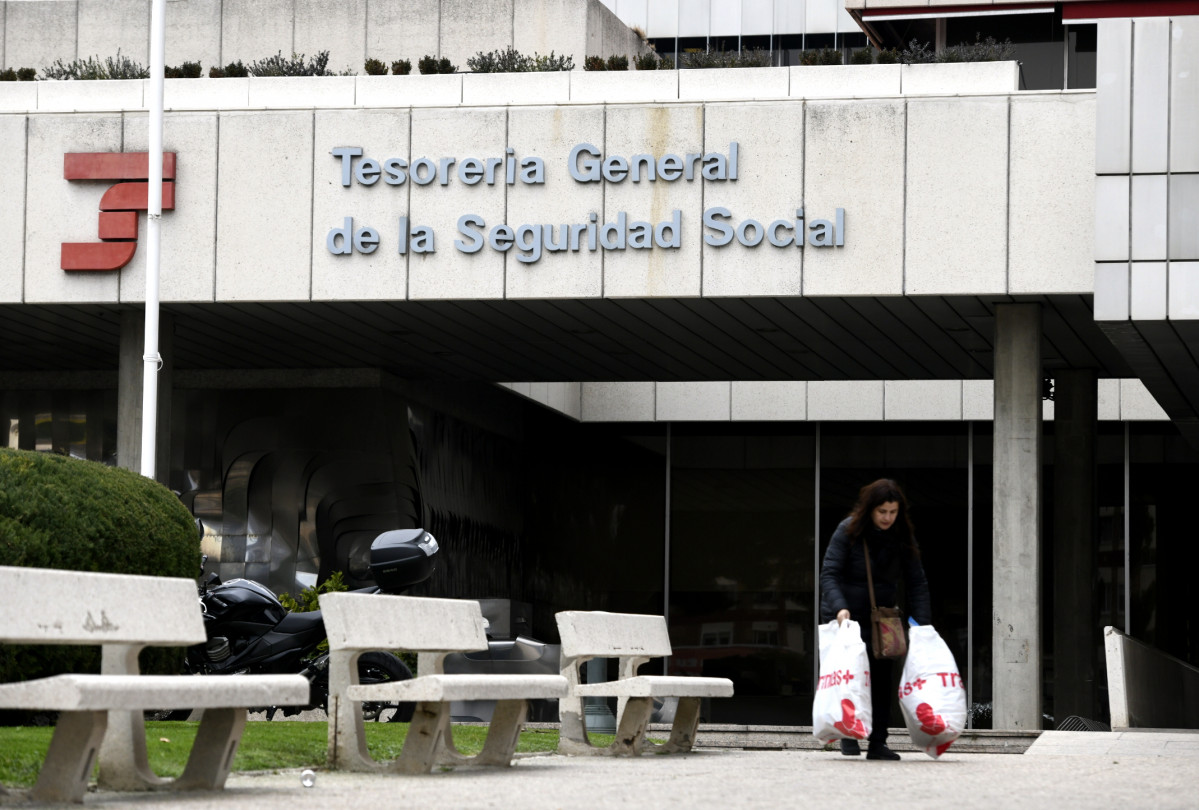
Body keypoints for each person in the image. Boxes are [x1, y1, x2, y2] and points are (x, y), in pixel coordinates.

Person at [819, 478, 931, 761]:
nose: (887, 518)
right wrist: (839, 608)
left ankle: (877, 742)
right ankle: (848, 734)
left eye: (893, 512)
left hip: (883, 620)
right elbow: (829, 574)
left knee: (881, 680)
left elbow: (917, 582)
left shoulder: (902, 535)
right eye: (882, 512)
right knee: (851, 677)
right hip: (847, 617)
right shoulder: (848, 530)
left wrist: (922, 624)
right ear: (870, 509)